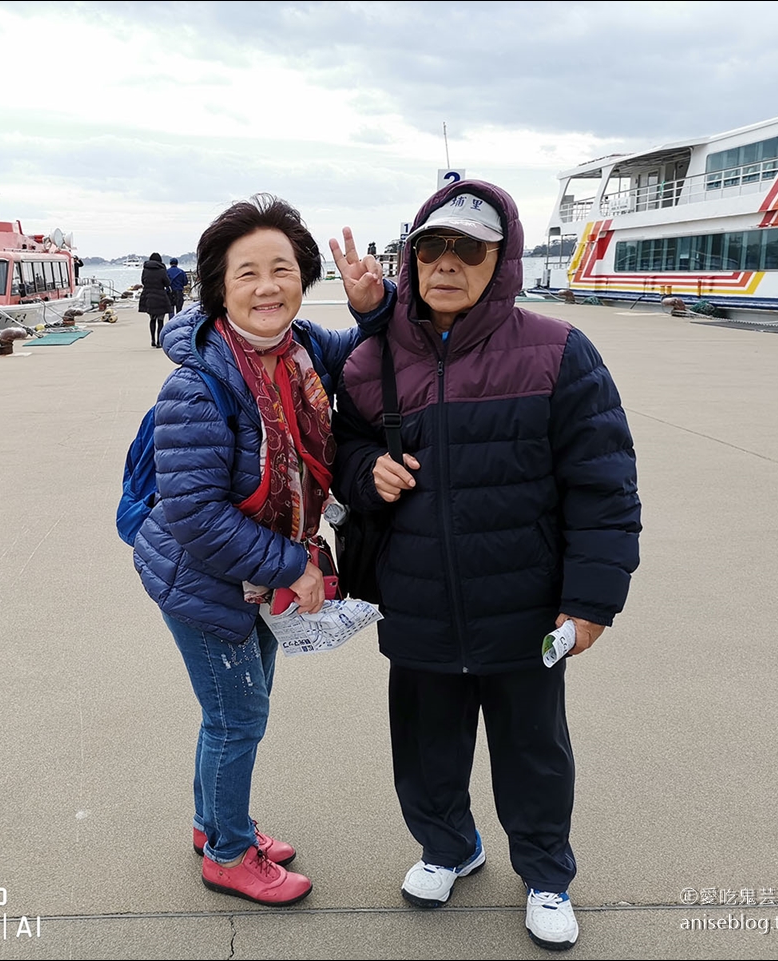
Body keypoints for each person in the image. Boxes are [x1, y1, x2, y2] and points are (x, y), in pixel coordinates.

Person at [330, 183, 641, 951]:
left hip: (525, 604)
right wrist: (366, 470)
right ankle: (448, 846)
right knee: (425, 742)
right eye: (432, 246)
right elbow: (339, 450)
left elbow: (604, 483)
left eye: (469, 248)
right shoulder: (373, 357)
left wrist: (593, 598)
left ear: (501, 261)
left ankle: (545, 873)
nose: (447, 263)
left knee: (534, 748)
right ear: (412, 256)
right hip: (417, 598)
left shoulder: (560, 350)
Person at [132, 194, 384, 907]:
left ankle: (212, 821)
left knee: (234, 710)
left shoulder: (302, 346)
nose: (267, 286)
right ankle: (229, 852)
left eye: (282, 268)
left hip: (249, 576)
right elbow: (196, 515)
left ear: (303, 278)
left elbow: (373, 347)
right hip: (206, 581)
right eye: (247, 273)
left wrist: (373, 301)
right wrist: (295, 565)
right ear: (219, 287)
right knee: (238, 716)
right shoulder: (198, 384)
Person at [139, 252, 174, 347]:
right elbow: (167, 282)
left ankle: (152, 340)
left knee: (152, 319)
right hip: (160, 295)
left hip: (148, 295)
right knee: (160, 320)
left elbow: (142, 281)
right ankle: (159, 341)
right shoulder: (162, 270)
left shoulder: (145, 269)